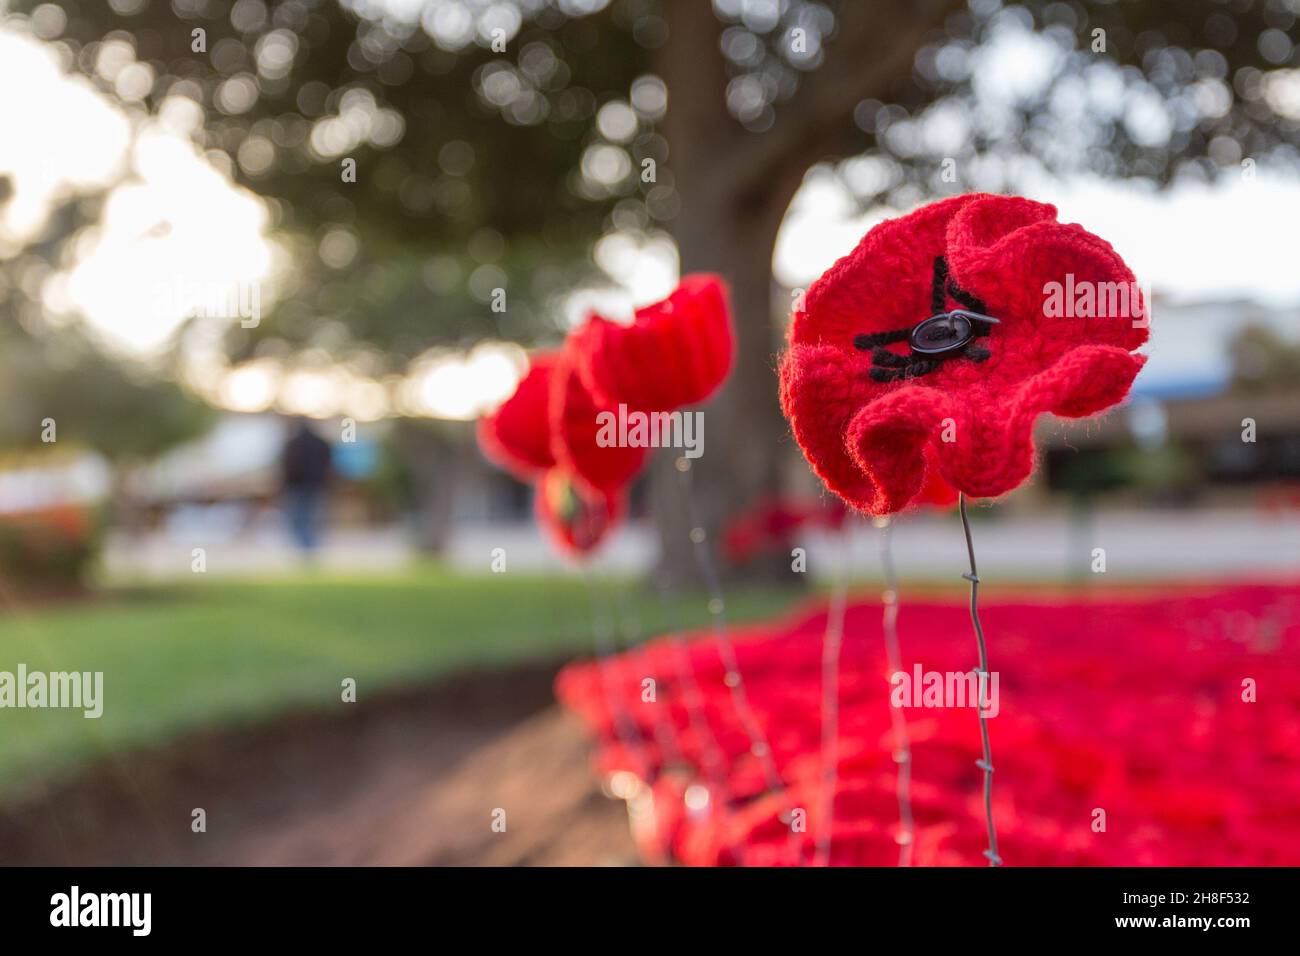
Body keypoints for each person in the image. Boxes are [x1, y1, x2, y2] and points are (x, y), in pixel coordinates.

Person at [281, 418, 332, 555]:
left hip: (298, 485)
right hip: (317, 485)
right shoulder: (322, 443)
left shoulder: (293, 443)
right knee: (313, 518)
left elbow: (288, 465)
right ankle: (310, 547)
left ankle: (306, 549)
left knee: (298, 518)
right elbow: (329, 464)